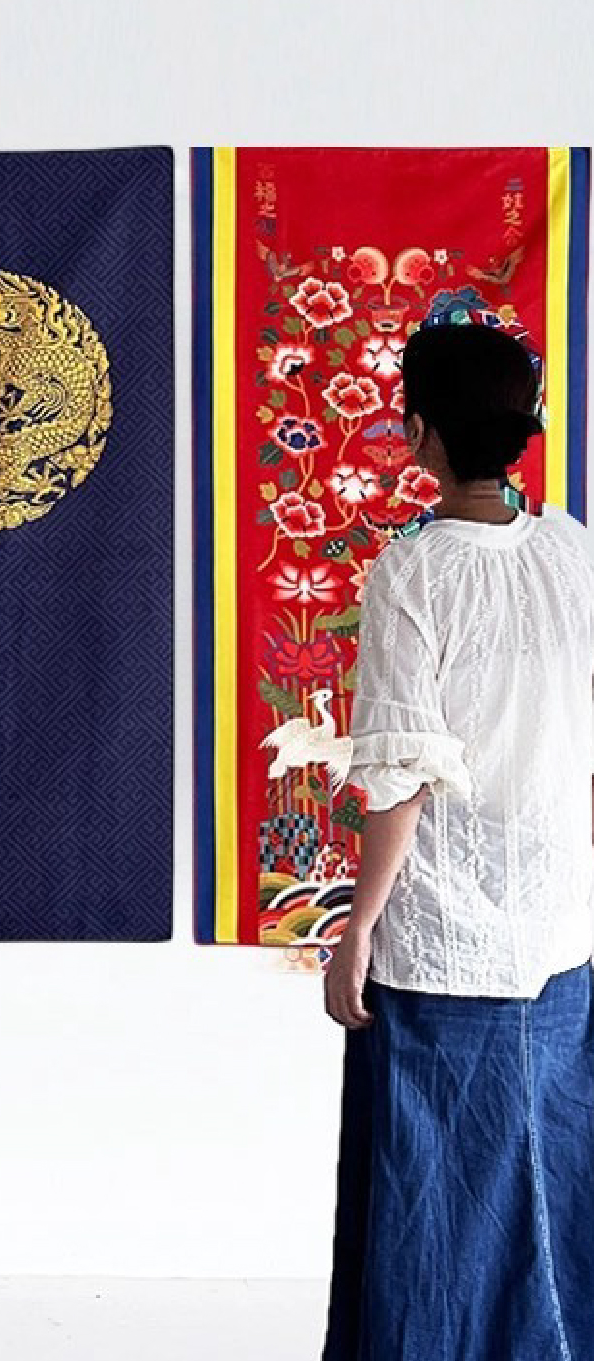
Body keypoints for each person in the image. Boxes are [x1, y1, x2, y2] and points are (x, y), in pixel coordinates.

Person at [320, 318, 594, 1361]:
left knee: (432, 1206)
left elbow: (400, 775)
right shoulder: (571, 550)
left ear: (417, 432)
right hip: (558, 928)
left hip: (443, 943)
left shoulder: (412, 573)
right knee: (550, 1182)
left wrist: (356, 929)